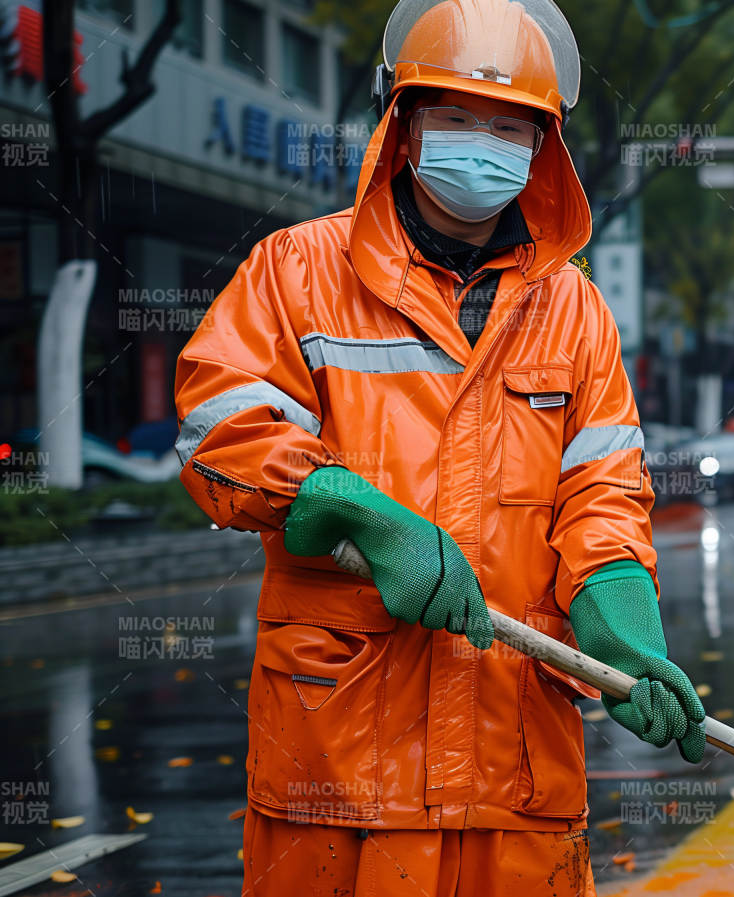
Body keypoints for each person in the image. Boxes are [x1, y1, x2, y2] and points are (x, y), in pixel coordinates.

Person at [172, 2, 703, 893]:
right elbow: (217, 438)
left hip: (516, 769)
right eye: (454, 117)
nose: (479, 142)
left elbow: (603, 494)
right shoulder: (295, 272)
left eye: (508, 126)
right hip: (338, 772)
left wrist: (622, 624)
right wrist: (353, 508)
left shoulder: (575, 311)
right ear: (404, 124)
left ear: (544, 149)